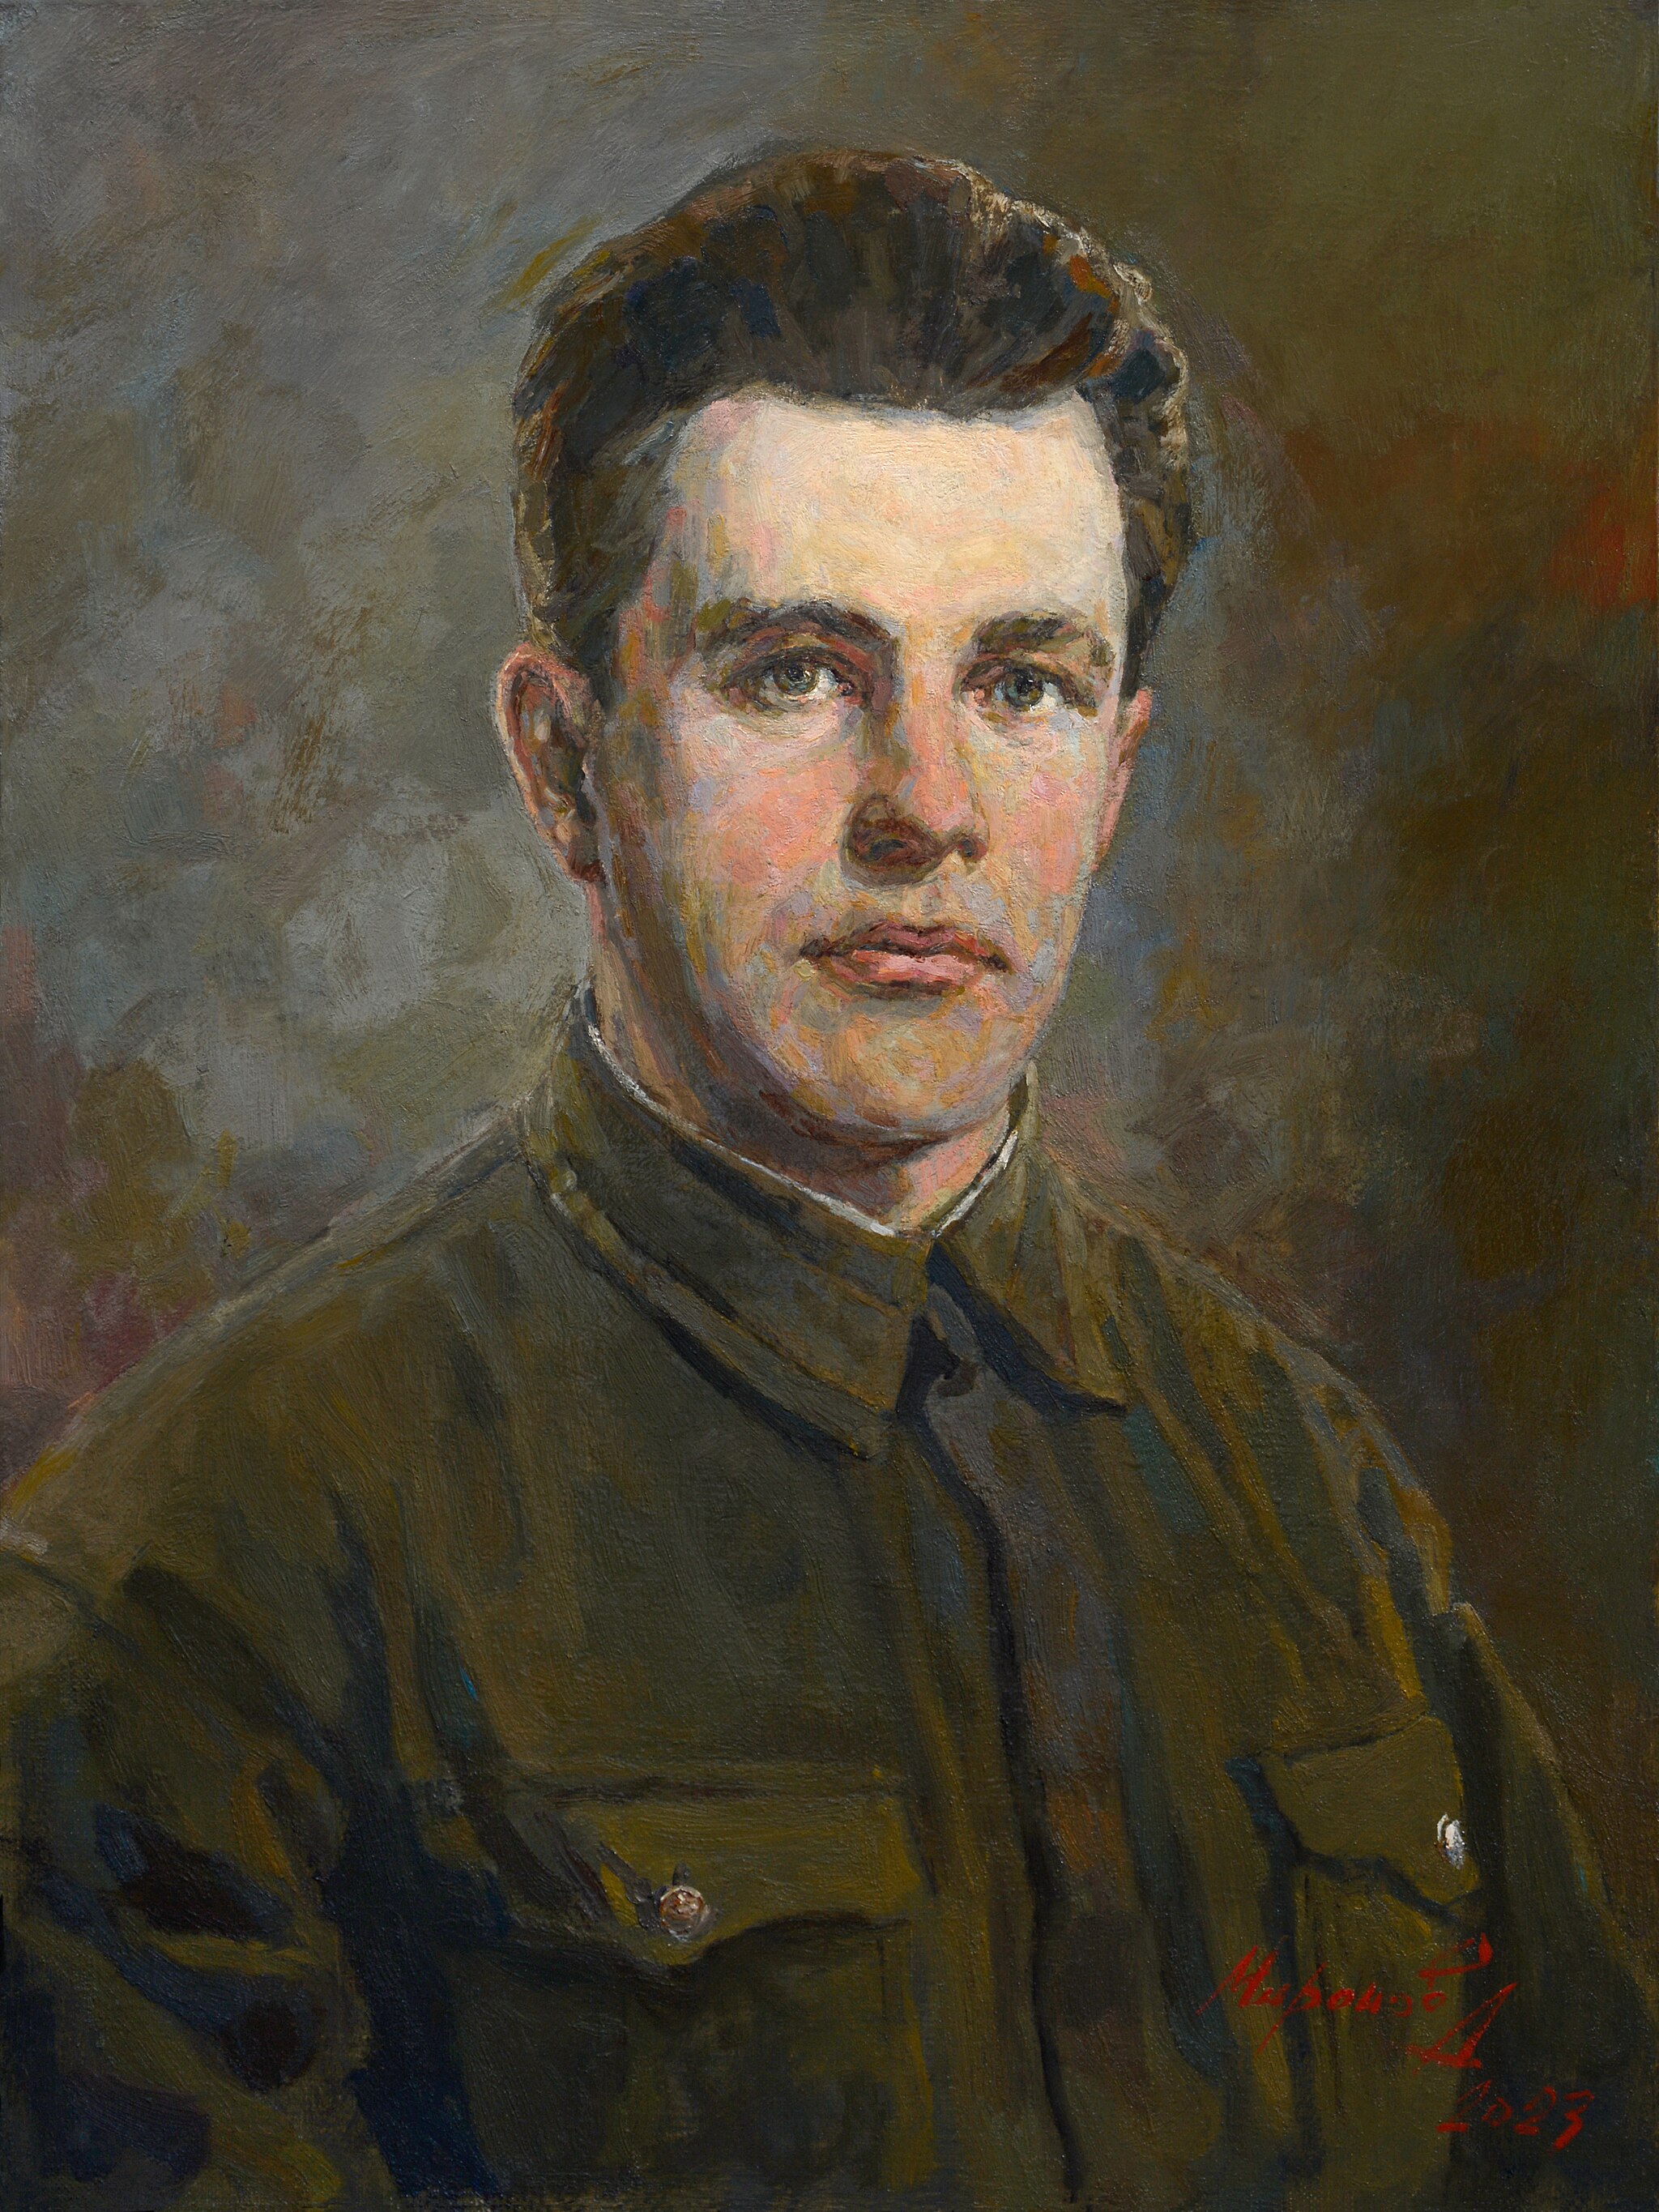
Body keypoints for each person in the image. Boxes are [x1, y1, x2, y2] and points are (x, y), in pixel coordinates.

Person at [0, 149, 1651, 2211]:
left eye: (1021, 683)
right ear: (566, 763)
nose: (928, 811)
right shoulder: (197, 1580)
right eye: (795, 672)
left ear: (1115, 773)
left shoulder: (1309, 1495)